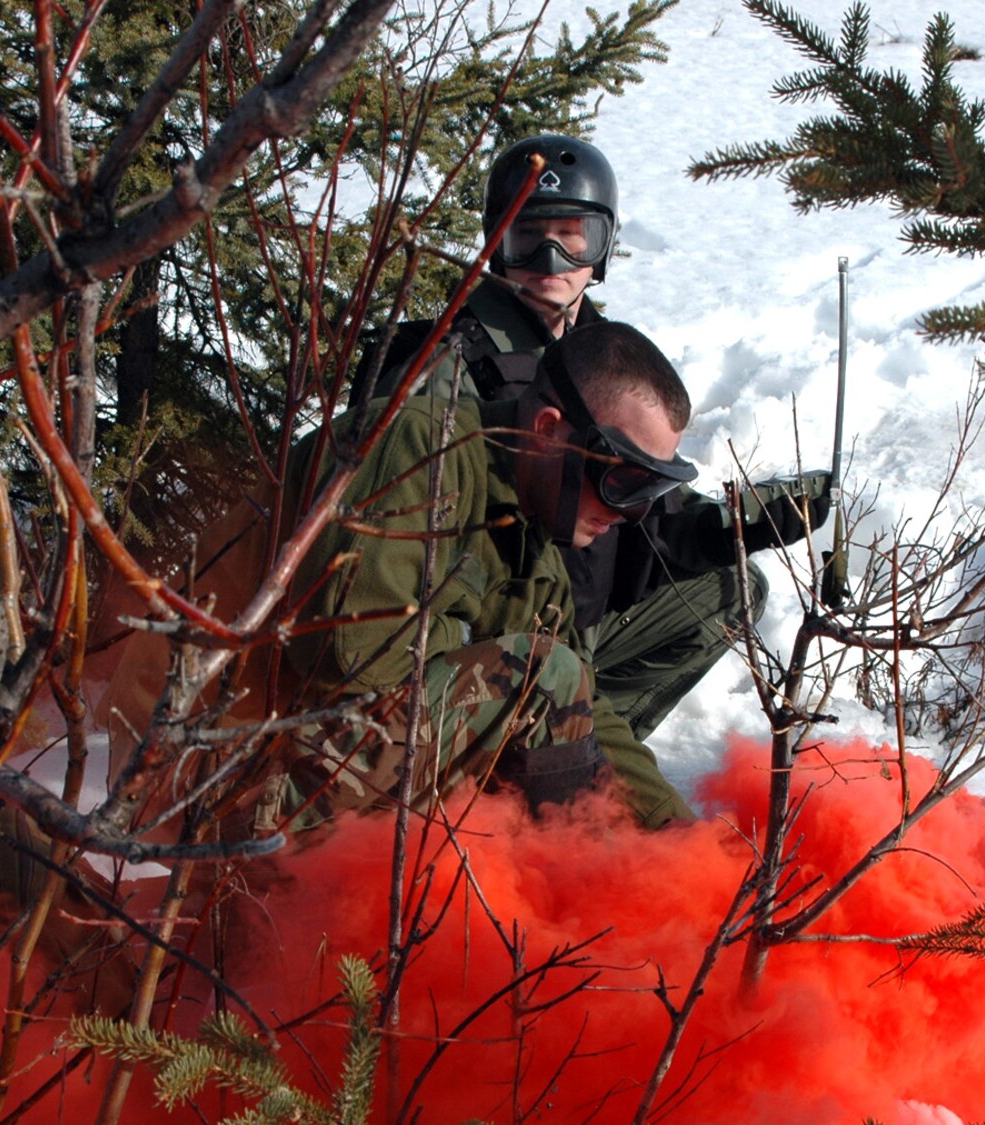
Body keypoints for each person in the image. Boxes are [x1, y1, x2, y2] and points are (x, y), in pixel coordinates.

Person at [362, 133, 833, 745]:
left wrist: (752, 520)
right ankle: (525, 746)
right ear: (496, 245)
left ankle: (588, 740)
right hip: (489, 637)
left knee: (733, 589)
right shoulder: (441, 365)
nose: (549, 258)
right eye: (527, 236)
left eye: (572, 235)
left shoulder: (606, 358)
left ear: (603, 247)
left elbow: (647, 508)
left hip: (575, 624)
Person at [278, 320, 700, 828]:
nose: (628, 514)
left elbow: (587, 712)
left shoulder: (535, 553)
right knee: (542, 676)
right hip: (242, 783)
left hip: (346, 779)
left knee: (552, 689)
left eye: (649, 491)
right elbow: (346, 660)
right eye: (622, 481)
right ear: (548, 429)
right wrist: (483, 650)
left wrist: (679, 832)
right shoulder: (419, 448)